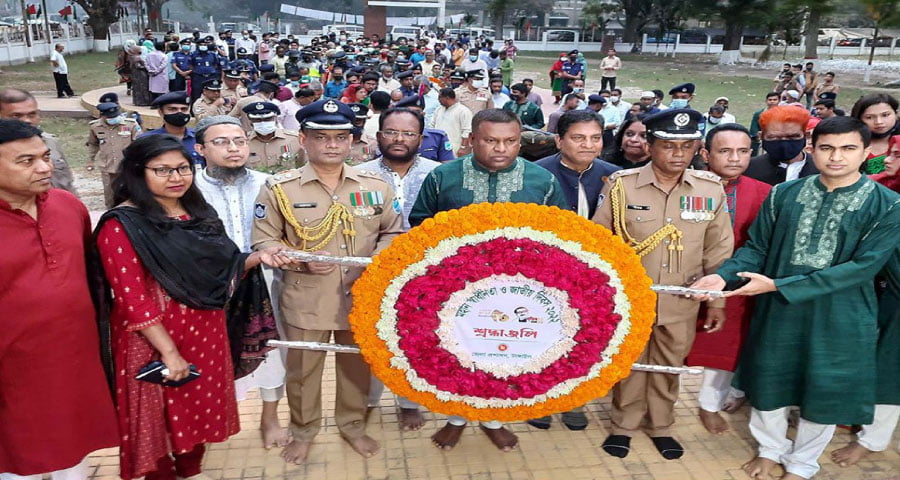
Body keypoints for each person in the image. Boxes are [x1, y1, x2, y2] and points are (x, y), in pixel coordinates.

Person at [691, 116, 900, 480]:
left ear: (866, 153)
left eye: (848, 149)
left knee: (825, 389)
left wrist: (778, 286)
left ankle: (802, 464)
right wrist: (722, 277)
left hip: (843, 316)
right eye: (827, 148)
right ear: (811, 149)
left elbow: (864, 267)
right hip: (779, 313)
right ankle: (770, 450)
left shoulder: (888, 205)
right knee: (770, 379)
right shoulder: (783, 195)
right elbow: (756, 249)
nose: (837, 157)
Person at [95, 134, 287, 480]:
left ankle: (190, 469)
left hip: (205, 332)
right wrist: (169, 353)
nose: (176, 177)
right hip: (151, 341)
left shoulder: (197, 212)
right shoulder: (121, 224)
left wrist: (257, 257)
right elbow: (132, 300)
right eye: (163, 170)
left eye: (183, 168)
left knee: (197, 406)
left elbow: (222, 267)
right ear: (138, 173)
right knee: (154, 416)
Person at [251, 99, 403, 465]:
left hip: (362, 297)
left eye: (340, 137)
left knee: (356, 368)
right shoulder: (280, 188)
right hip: (306, 299)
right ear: (303, 139)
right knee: (303, 373)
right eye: (321, 137)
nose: (332, 144)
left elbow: (394, 232)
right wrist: (299, 259)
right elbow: (264, 239)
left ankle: (352, 425)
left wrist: (376, 262)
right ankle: (303, 431)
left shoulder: (375, 186)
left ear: (352, 142)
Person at [410, 108, 568, 452]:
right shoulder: (443, 177)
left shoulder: (542, 181)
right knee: (454, 354)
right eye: (490, 141)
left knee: (504, 353)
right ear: (471, 140)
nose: (501, 149)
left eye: (510, 141)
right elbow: (420, 224)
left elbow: (562, 234)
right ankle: (455, 418)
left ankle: (493, 419)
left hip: (519, 292)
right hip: (452, 292)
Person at [592, 109, 733, 460]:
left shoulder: (710, 189)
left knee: (670, 363)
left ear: (697, 149)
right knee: (631, 362)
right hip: (631, 298)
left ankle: (661, 425)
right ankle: (623, 425)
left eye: (686, 147)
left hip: (683, 298)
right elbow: (598, 241)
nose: (677, 154)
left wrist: (717, 302)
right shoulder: (621, 186)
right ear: (650, 145)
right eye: (668, 145)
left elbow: (718, 247)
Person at [0, 118, 118, 480]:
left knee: (74, 448)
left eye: (46, 157)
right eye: (26, 161)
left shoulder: (69, 206)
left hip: (75, 360)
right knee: (17, 459)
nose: (44, 167)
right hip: (12, 371)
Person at [191, 115, 290, 450]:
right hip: (208, 288)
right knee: (210, 354)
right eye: (221, 142)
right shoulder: (187, 189)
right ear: (200, 148)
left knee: (272, 354)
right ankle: (211, 416)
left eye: (239, 141)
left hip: (267, 283)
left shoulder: (271, 184)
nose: (233, 149)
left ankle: (270, 416)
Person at [683, 124, 771, 435]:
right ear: (706, 154)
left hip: (733, 285)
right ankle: (655, 402)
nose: (734, 158)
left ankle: (709, 403)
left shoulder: (764, 193)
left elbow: (760, 244)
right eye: (724, 150)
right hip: (684, 278)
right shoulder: (686, 186)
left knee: (722, 346)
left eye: (743, 151)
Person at [358, 107, 440, 430]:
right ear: (379, 135)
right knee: (370, 338)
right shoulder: (358, 175)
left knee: (418, 340)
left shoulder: (438, 173)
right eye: (392, 132)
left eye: (408, 134)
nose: (399, 139)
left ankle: (408, 401)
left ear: (420, 139)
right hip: (373, 269)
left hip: (424, 275)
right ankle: (367, 399)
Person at [830, 135, 900, 468]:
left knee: (890, 374)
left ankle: (872, 441)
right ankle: (862, 424)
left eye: (897, 155)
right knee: (880, 366)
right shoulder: (883, 191)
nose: (890, 158)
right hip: (889, 298)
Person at [535, 108, 619, 218]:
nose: (588, 145)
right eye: (578, 138)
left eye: (596, 138)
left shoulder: (614, 175)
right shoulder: (536, 174)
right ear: (559, 141)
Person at [0, 88, 77, 195]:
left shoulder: (50, 142)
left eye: (32, 114)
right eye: (16, 116)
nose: (27, 120)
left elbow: (68, 183)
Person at [745, 105, 817, 185]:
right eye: (774, 137)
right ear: (761, 136)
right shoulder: (748, 169)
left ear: (806, 135)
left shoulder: (821, 169)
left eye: (793, 136)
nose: (784, 144)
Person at [87, 102, 142, 208]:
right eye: (110, 117)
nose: (114, 118)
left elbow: (140, 144)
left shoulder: (130, 124)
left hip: (127, 166)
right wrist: (90, 160)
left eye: (115, 116)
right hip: (107, 165)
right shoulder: (95, 127)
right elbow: (93, 144)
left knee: (131, 192)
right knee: (110, 193)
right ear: (103, 115)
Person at [143, 91, 204, 166]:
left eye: (184, 109)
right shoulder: (147, 140)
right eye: (172, 109)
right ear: (161, 112)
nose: (179, 113)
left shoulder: (200, 137)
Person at [243, 101, 305, 173]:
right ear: (250, 122)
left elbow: (304, 166)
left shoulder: (294, 139)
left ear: (275, 119)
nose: (263, 123)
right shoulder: (244, 142)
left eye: (267, 119)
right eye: (257, 120)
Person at [391, 95, 455, 163]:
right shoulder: (390, 137)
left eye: (417, 113)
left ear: (423, 114)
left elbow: (447, 164)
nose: (413, 116)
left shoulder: (438, 137)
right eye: (409, 113)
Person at [852, 93, 898, 174]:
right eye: (869, 117)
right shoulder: (850, 143)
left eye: (885, 115)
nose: (879, 122)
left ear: (896, 114)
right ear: (859, 119)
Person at [430, 88, 473, 156]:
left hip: (455, 148)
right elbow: (432, 126)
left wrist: (463, 148)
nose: (438, 100)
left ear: (447, 98)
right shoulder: (439, 109)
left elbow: (467, 131)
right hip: (437, 146)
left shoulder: (463, 111)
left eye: (440, 97)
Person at [749, 92, 780, 157]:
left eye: (775, 100)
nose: (772, 102)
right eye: (770, 100)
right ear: (766, 101)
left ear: (779, 101)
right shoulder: (759, 113)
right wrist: (757, 136)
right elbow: (753, 128)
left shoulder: (783, 113)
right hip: (761, 140)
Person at [128, 42, 152, 107]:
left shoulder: (131, 57)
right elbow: (139, 66)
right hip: (141, 75)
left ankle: (137, 101)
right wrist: (148, 68)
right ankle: (144, 101)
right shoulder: (137, 58)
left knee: (136, 88)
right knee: (143, 87)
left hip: (135, 75)